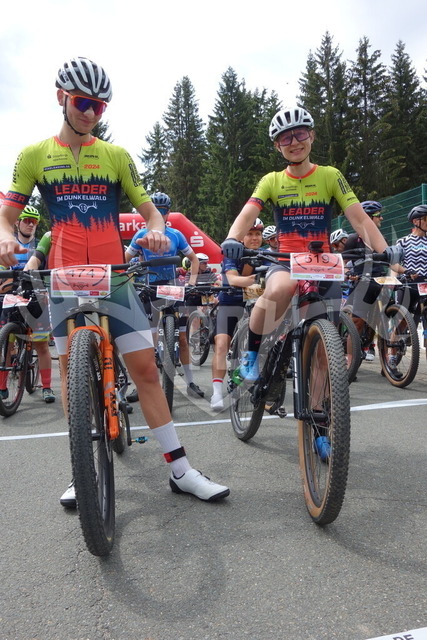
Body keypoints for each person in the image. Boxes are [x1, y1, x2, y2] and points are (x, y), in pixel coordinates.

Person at [0, 57, 229, 506]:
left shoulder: (116, 156)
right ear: (61, 97)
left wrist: (157, 229)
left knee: (144, 370)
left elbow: (151, 212)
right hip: (65, 277)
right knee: (71, 374)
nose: (90, 113)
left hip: (115, 276)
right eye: (82, 103)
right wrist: (6, 236)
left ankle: (180, 470)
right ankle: (80, 470)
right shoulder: (33, 155)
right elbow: (7, 216)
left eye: (99, 106)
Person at [220, 107, 392, 392]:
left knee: (325, 353)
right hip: (285, 260)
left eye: (299, 134)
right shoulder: (271, 180)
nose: (294, 142)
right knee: (279, 288)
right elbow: (248, 213)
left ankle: (320, 417)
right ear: (277, 146)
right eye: (285, 138)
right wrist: (232, 239)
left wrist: (386, 251)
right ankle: (251, 356)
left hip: (323, 263)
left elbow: (360, 219)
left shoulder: (330, 175)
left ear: (311, 136)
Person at [124, 191, 205, 401]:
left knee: (183, 338)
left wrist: (191, 283)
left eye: (164, 211)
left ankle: (190, 382)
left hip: (173, 287)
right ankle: (142, 385)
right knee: (148, 341)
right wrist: (128, 277)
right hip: (149, 288)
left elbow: (194, 260)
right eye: (156, 210)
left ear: (168, 213)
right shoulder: (140, 235)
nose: (160, 214)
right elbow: (124, 259)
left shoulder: (176, 235)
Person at [0, 206, 55, 403]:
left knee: (41, 345)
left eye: (35, 221)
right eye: (27, 220)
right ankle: (2, 386)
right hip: (11, 297)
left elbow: (49, 269)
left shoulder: (41, 246)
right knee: (7, 344)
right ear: (18, 222)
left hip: (36, 298)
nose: (31, 224)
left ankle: (47, 387)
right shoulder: (8, 245)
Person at [210, 218, 264, 411]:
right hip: (230, 301)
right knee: (222, 344)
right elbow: (233, 279)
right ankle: (217, 392)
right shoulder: (232, 252)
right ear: (242, 237)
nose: (255, 238)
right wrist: (261, 280)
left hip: (256, 302)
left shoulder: (265, 254)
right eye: (250, 234)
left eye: (258, 234)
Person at [343, 201, 387, 362]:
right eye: (377, 215)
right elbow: (343, 263)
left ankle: (387, 363)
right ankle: (350, 361)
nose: (381, 218)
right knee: (357, 322)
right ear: (367, 217)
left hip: (380, 281)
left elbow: (391, 262)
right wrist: (348, 274)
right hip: (361, 282)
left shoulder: (381, 238)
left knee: (384, 319)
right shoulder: (353, 239)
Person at [392, 204, 427, 327]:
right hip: (409, 284)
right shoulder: (403, 241)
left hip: (425, 284)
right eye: (426, 218)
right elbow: (394, 264)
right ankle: (395, 339)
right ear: (416, 221)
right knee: (402, 322)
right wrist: (393, 280)